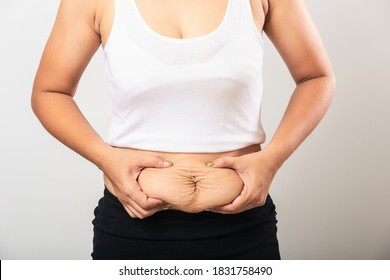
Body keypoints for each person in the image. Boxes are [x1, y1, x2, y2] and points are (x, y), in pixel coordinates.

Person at [31, 0, 335, 260]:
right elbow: (50, 92)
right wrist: (105, 158)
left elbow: (316, 77)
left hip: (243, 230)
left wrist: (273, 159)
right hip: (133, 228)